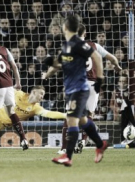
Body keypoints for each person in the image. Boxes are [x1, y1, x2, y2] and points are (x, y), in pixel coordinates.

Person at [43, 15, 107, 166]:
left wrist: (100, 79)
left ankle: (67, 155)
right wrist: (49, 69)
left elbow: (97, 56)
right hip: (71, 88)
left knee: (71, 120)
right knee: (83, 120)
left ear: (65, 27)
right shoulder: (67, 45)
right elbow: (62, 65)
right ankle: (100, 144)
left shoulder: (79, 43)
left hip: (80, 88)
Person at [58, 24, 122, 154]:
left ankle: (64, 147)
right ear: (85, 33)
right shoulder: (95, 46)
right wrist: (117, 66)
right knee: (90, 114)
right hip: (93, 84)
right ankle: (84, 139)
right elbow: (113, 58)